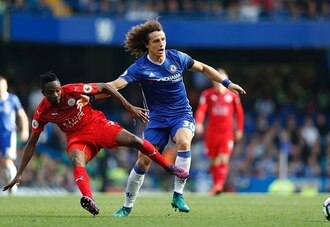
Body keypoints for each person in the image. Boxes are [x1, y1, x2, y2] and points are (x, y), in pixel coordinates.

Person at [84, 19, 246, 216]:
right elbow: (115, 85)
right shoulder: (140, 67)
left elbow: (203, 68)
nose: (161, 44)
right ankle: (126, 207)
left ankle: (178, 194)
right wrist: (89, 94)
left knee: (184, 142)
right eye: (156, 41)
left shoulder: (177, 57)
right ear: (147, 45)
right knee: (143, 161)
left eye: (163, 39)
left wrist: (227, 83)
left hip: (181, 115)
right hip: (156, 120)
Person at [2, 71, 188, 216]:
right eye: (51, 92)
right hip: (78, 138)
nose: (56, 94)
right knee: (76, 159)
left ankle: (168, 167)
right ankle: (89, 199)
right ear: (44, 93)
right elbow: (32, 143)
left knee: (136, 141)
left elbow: (106, 87)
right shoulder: (41, 112)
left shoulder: (73, 90)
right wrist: (19, 173)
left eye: (58, 90)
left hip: (98, 126)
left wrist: (129, 107)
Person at [194, 69, 244, 195]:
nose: (219, 83)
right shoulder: (207, 95)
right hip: (212, 132)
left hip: (227, 133)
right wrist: (198, 123)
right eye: (217, 80)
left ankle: (218, 185)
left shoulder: (232, 96)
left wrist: (239, 129)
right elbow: (201, 110)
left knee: (223, 158)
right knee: (213, 160)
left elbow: (239, 114)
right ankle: (217, 184)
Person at [0, 75, 29, 194]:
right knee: (3, 162)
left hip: (8, 134)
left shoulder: (12, 99)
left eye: (2, 85)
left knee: (7, 160)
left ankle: (13, 185)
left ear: (6, 86)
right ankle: (9, 184)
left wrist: (25, 129)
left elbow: (22, 115)